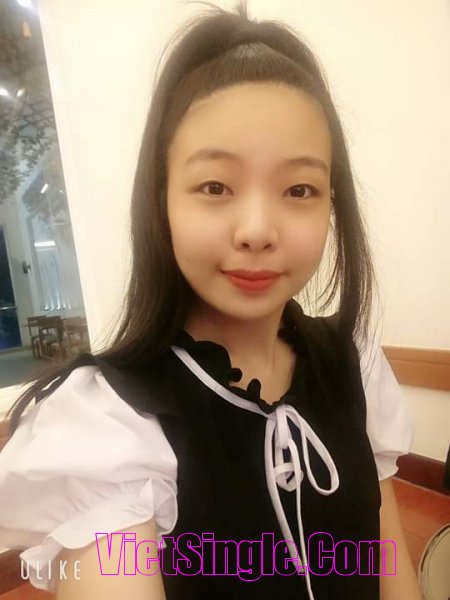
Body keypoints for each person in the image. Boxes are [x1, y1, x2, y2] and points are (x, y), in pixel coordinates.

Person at [0, 1, 421, 598]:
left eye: (299, 189)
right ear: (162, 202)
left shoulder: (357, 367)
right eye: (215, 186)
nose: (257, 230)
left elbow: (390, 569)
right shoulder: (111, 424)